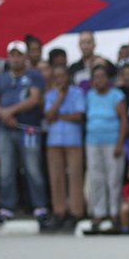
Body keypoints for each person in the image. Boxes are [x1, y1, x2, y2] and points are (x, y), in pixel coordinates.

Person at [0, 40, 49, 225]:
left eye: (18, 55)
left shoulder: (34, 76)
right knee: (6, 170)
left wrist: (10, 111)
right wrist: (4, 115)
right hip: (5, 130)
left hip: (28, 130)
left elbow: (34, 99)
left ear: (25, 57)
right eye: (12, 55)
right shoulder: (2, 78)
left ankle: (39, 207)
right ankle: (6, 207)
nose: (15, 58)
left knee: (33, 169)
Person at [44, 64, 86, 233]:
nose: (60, 80)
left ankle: (76, 212)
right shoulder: (50, 95)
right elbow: (48, 116)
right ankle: (59, 211)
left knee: (75, 176)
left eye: (62, 76)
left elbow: (78, 116)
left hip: (73, 139)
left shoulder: (77, 93)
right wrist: (60, 97)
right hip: (54, 140)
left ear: (68, 77)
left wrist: (59, 116)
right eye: (57, 77)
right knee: (56, 177)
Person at [85, 64, 128, 230]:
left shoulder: (116, 95)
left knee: (113, 178)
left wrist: (120, 143)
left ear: (108, 79)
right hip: (92, 142)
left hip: (112, 142)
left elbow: (124, 119)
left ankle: (114, 212)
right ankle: (99, 213)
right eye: (96, 77)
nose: (99, 80)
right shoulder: (89, 95)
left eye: (102, 76)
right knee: (96, 178)